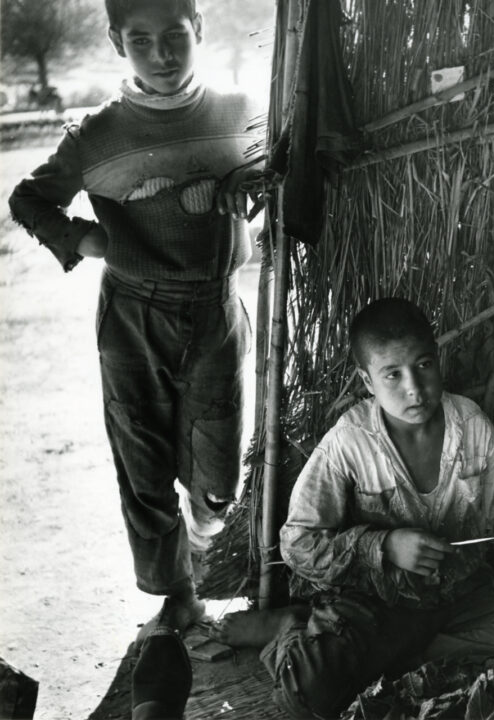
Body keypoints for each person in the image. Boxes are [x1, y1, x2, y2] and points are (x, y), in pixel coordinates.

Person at [9, 0, 264, 641]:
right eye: (142, 40)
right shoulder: (96, 135)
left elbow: (271, 179)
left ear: (198, 29)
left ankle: (206, 558)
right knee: (143, 465)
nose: (163, 55)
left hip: (215, 312)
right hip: (131, 316)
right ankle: (177, 595)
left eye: (175, 35)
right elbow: (28, 197)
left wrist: (250, 188)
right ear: (117, 42)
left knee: (217, 473)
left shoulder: (239, 114)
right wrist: (81, 238)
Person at [212, 298, 494, 719]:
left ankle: (399, 655)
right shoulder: (350, 442)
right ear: (367, 380)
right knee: (308, 693)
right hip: (375, 606)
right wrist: (384, 547)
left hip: (461, 595)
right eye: (393, 374)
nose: (414, 387)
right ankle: (291, 626)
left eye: (423, 365)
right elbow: (298, 544)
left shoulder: (469, 423)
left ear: (437, 359)